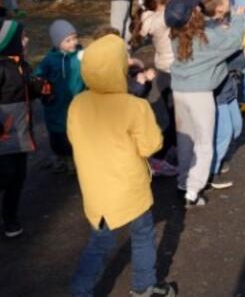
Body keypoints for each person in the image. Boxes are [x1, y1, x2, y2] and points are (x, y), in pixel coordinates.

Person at [67, 34, 177, 297]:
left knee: (100, 243)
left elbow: (73, 138)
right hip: (130, 189)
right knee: (142, 235)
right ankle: (144, 285)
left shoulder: (77, 104)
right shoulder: (134, 106)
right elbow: (150, 146)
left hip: (96, 191)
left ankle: (80, 291)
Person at [170, 0, 245, 207]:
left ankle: (183, 183)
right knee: (204, 144)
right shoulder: (206, 37)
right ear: (194, 13)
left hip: (179, 90)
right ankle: (193, 192)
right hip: (200, 95)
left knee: (185, 140)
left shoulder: (177, 33)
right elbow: (234, 41)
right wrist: (238, 18)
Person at [0, 19, 49, 238]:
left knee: (18, 176)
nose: (27, 40)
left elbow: (26, 89)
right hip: (1, 132)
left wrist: (39, 88)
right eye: (23, 37)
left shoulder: (21, 63)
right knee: (5, 172)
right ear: (9, 42)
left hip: (20, 130)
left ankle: (10, 216)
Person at [135, 0, 178, 177]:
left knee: (172, 114)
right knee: (170, 117)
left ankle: (168, 150)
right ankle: (158, 158)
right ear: (161, 5)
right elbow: (178, 2)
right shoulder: (162, 20)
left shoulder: (151, 17)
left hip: (165, 70)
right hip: (171, 70)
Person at [35, 20, 86, 175]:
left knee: (77, 133)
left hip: (78, 102)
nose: (73, 43)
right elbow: (38, 76)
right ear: (58, 43)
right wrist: (44, 90)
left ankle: (75, 160)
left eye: (74, 38)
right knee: (58, 134)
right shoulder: (50, 60)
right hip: (57, 104)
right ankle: (62, 158)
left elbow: (92, 69)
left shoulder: (80, 56)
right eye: (68, 40)